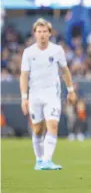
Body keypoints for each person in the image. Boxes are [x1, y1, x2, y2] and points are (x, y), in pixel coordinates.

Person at [20, 18, 77, 170]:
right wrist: (24, 98)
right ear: (34, 34)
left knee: (52, 124)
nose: (42, 34)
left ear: (50, 33)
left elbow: (65, 71)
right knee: (38, 129)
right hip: (35, 95)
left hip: (52, 93)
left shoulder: (57, 50)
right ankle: (39, 160)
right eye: (39, 32)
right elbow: (24, 75)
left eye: (45, 31)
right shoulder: (28, 52)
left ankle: (47, 160)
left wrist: (71, 90)